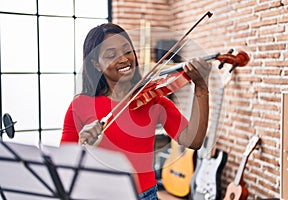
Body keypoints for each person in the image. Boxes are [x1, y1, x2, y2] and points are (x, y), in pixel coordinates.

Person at [61, 22, 211, 200]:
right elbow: (63, 167)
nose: (124, 59)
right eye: (111, 55)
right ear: (96, 64)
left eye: (127, 50)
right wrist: (83, 144)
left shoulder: (151, 100)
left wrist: (201, 88)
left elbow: (193, 140)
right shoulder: (80, 106)